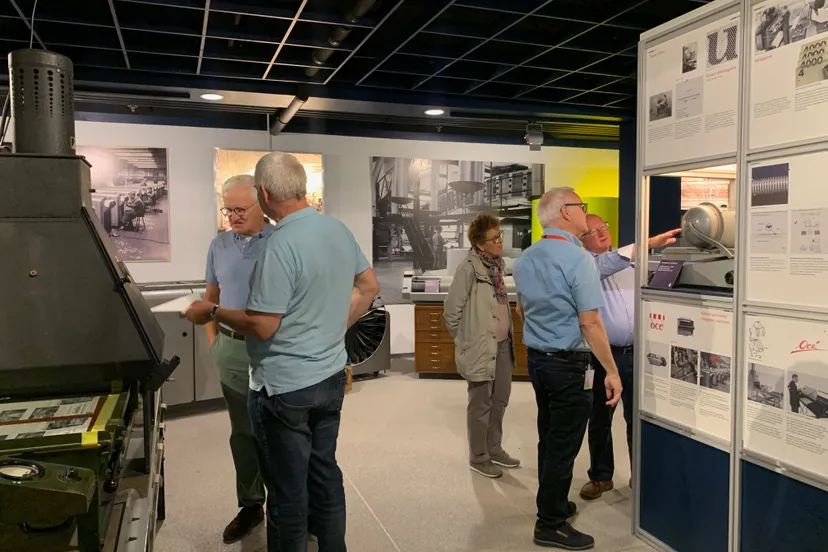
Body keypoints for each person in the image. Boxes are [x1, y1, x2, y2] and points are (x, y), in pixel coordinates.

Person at [185, 152, 380, 552]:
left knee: (287, 493)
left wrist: (212, 312)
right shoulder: (337, 230)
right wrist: (334, 327)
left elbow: (262, 325)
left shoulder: (279, 244)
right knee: (325, 474)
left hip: (285, 386)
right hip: (329, 377)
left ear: (266, 194)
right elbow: (369, 286)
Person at [512, 187, 622, 551]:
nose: (585, 213)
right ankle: (550, 525)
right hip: (569, 366)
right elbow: (590, 322)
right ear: (565, 212)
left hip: (539, 362)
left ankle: (554, 504)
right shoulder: (579, 259)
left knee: (549, 437)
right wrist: (611, 370)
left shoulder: (526, 258)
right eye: (580, 206)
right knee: (564, 444)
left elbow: (521, 311)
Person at [578, 214, 680, 500]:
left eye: (604, 227)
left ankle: (640, 475)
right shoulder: (587, 266)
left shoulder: (631, 264)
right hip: (603, 357)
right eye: (594, 231)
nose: (602, 233)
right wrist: (649, 243)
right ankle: (601, 476)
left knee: (638, 417)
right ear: (582, 239)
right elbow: (606, 265)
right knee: (600, 419)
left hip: (637, 353)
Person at [203, 174, 271, 543]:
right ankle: (250, 505)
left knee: (281, 430)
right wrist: (215, 343)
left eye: (240, 209)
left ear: (262, 204)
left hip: (273, 350)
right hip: (231, 349)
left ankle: (291, 505)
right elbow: (210, 297)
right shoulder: (219, 245)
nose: (233, 216)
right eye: (228, 210)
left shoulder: (281, 241)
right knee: (243, 433)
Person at [444, 213, 518, 480]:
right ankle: (479, 457)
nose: (500, 241)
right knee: (480, 404)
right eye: (494, 238)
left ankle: (494, 448)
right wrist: (467, 342)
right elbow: (451, 312)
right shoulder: (468, 269)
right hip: (480, 347)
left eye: (500, 236)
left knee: (500, 400)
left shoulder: (497, 266)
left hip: (503, 346)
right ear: (479, 244)